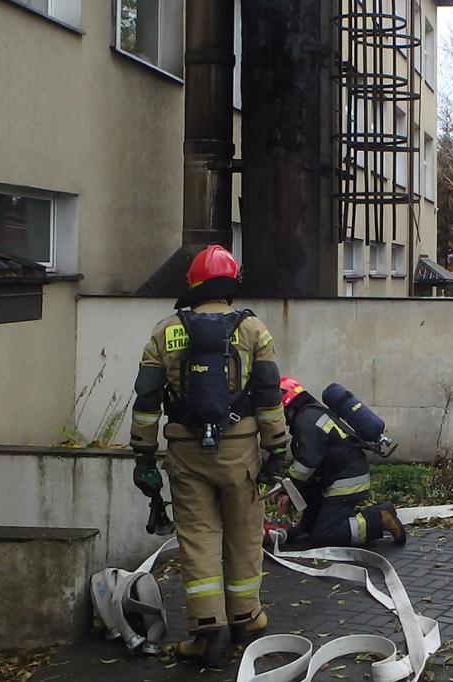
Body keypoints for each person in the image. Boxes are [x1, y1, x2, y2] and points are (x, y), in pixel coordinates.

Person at [128, 244, 289, 667]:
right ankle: (247, 618)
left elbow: (146, 399)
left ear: (192, 285)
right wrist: (277, 448)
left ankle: (206, 631)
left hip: (186, 452)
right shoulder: (254, 330)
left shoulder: (165, 332)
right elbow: (271, 396)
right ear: (230, 284)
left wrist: (143, 454)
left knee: (198, 539)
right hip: (241, 451)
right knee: (244, 534)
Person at [269, 377, 407, 549]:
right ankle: (308, 527)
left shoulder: (306, 420)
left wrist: (287, 486)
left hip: (346, 481)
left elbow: (306, 463)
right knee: (309, 495)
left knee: (326, 536)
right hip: (337, 476)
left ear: (286, 404)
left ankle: (379, 518)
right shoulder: (312, 414)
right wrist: (290, 489)